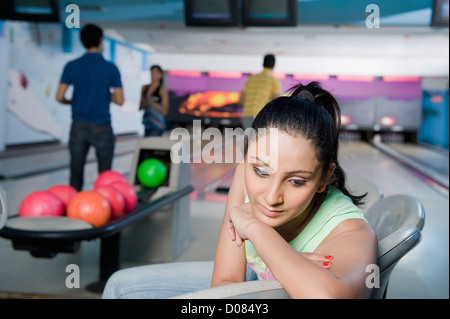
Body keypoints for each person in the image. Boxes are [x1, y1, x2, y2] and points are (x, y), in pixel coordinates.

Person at [102, 81, 377, 299]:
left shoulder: (349, 230)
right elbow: (225, 283)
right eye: (260, 171)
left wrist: (256, 229)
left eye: (296, 181)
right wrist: (283, 271)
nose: (271, 197)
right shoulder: (243, 177)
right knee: (119, 287)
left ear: (324, 178)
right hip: (251, 286)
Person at [56, 24, 124, 191]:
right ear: (101, 41)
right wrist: (105, 94)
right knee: (105, 175)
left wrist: (71, 101)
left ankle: (74, 208)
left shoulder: (71, 66)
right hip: (102, 127)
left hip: (78, 125)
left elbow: (59, 96)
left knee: (76, 172)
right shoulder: (111, 68)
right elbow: (120, 100)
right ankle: (103, 207)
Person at [239, 53, 281, 130]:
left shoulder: (251, 79)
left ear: (262, 64)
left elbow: (241, 101)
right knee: (260, 141)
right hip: (261, 116)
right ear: (274, 66)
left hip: (247, 116)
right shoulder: (274, 81)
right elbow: (277, 103)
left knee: (249, 140)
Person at [139, 65, 169, 137]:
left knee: (151, 146)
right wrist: (146, 99)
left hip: (157, 125)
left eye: (156, 72)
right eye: (152, 72)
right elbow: (140, 107)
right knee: (145, 146)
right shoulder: (145, 88)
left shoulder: (162, 90)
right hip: (147, 123)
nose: (153, 74)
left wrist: (151, 102)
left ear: (161, 75)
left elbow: (165, 111)